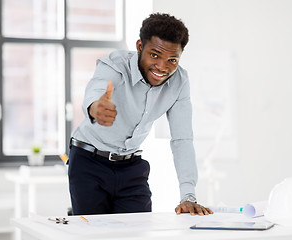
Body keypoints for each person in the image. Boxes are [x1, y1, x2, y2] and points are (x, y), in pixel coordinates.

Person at [68, 13, 213, 216]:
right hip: (89, 162)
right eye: (154, 55)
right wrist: (95, 107)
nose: (162, 67)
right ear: (139, 47)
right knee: (93, 232)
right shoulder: (115, 64)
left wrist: (188, 195)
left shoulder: (180, 81)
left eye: (172, 59)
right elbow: (96, 89)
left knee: (138, 230)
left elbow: (182, 139)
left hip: (131, 167)